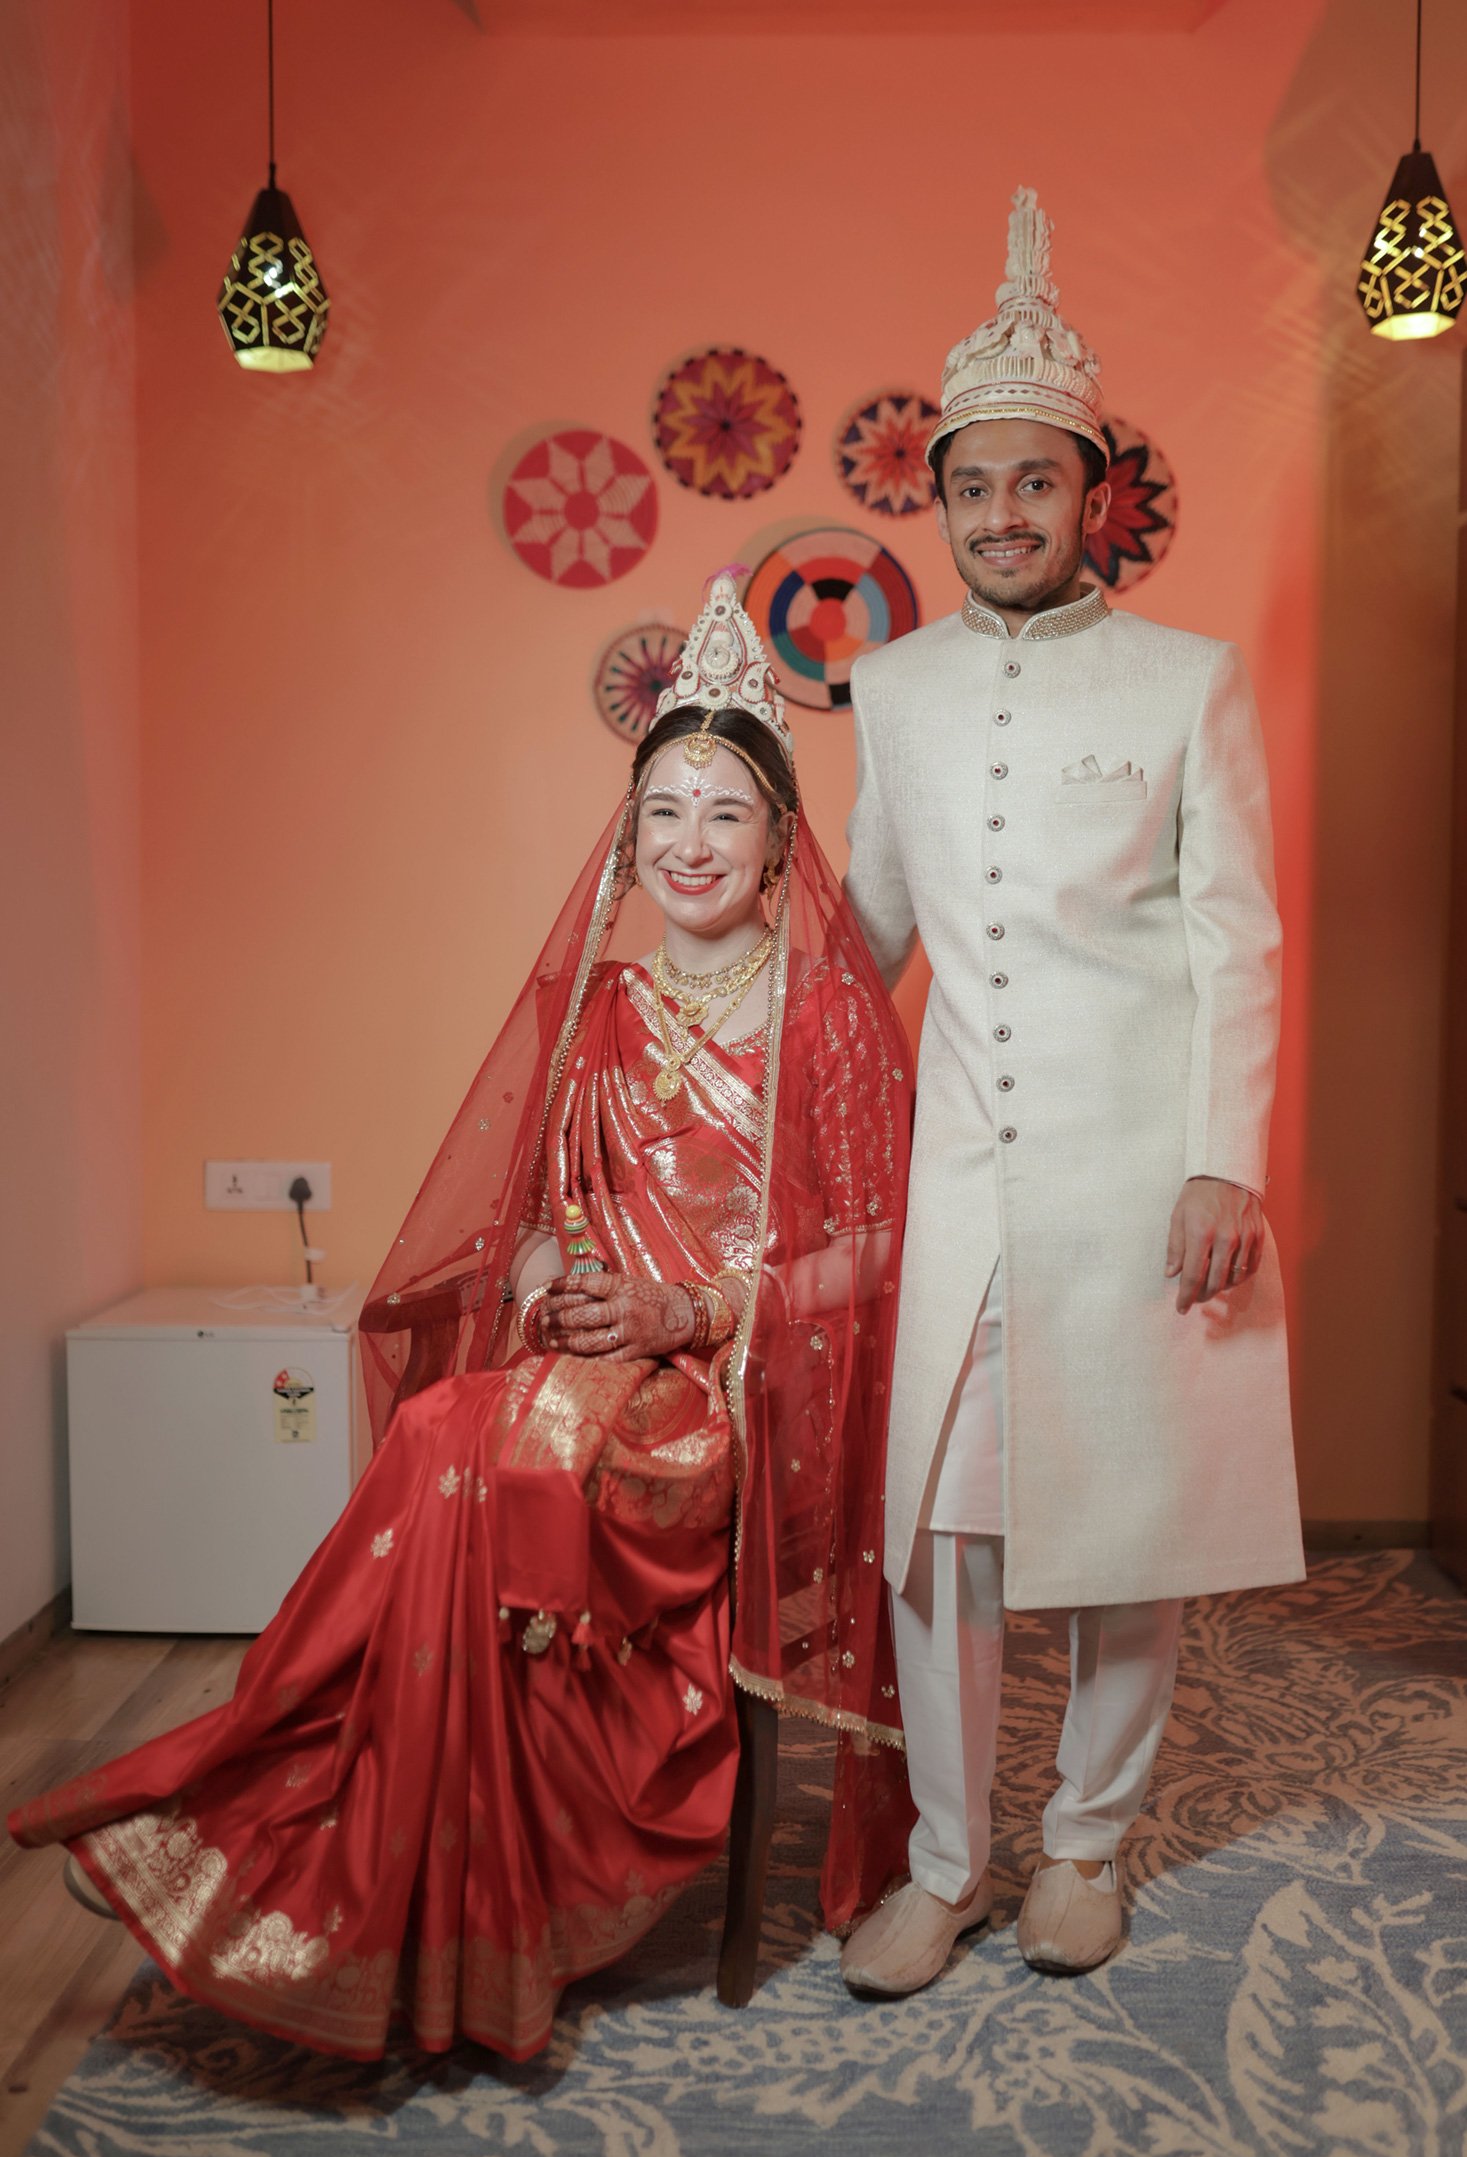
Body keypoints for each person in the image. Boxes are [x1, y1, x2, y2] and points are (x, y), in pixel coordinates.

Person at [10, 571, 914, 2061]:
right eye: (663, 812)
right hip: (591, 1372)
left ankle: (384, 1851)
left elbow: (879, 1254)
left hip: (743, 1392)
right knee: (447, 1435)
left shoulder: (824, 1014)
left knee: (471, 1455)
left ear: (778, 843)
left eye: (726, 813)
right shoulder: (597, 1010)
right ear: (627, 837)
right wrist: (552, 1286)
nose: (689, 843)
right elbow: (536, 1218)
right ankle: (381, 1856)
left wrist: (694, 1305)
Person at [839, 189, 1304, 1998]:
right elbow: (869, 934)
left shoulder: (1189, 682)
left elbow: (1240, 939)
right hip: (964, 1177)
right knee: (938, 1533)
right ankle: (947, 1862)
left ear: (1094, 494)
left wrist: (1224, 1163)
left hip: (1138, 1177)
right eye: (973, 488)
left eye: (1036, 483)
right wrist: (714, 1018)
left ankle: (1086, 1847)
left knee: (1129, 1527)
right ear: (942, 501)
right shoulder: (891, 689)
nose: (1003, 515)